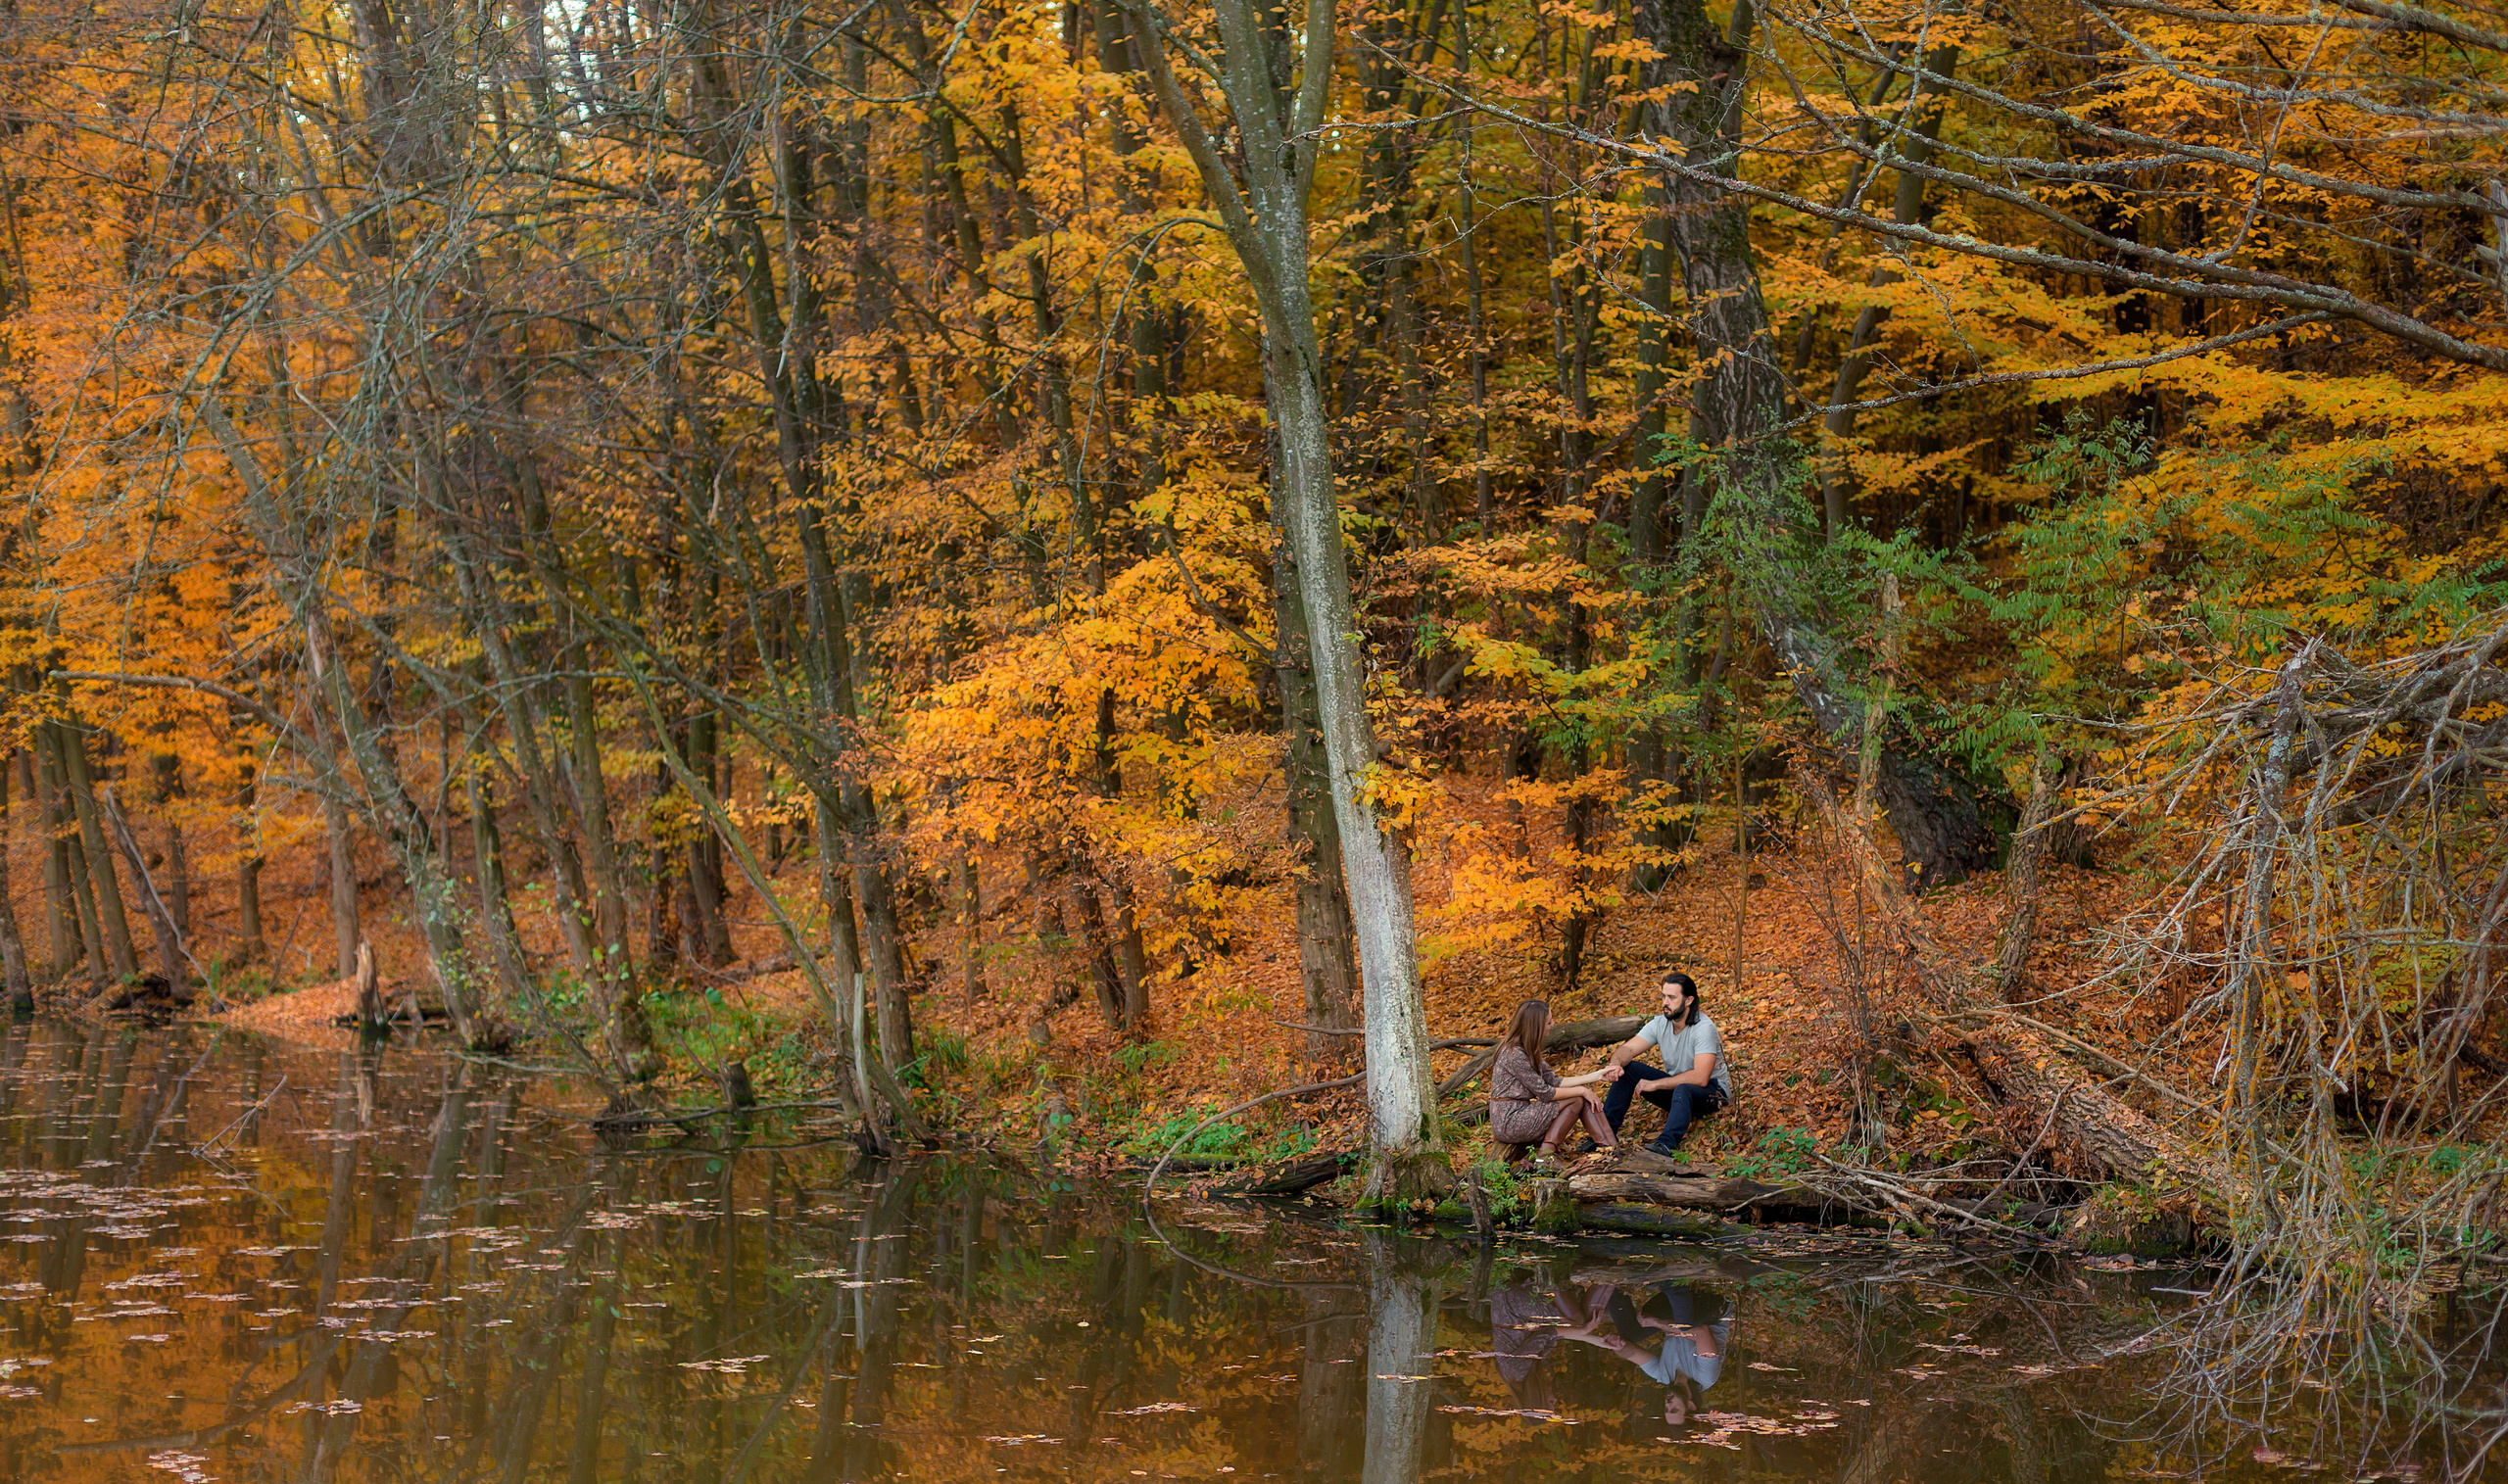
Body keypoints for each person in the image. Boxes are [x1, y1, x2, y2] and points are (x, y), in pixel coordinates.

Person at [1602, 970, 1732, 1157]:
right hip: (1679, 1092)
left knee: (1684, 1088)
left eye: (1672, 997)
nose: (1665, 1002)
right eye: (1663, 996)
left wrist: (1655, 1084)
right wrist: (1615, 1064)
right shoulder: (1660, 1023)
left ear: (1688, 1001)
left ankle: (1665, 1145)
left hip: (1713, 1093)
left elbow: (1701, 1078)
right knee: (1628, 1068)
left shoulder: (1703, 1029)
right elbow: (1628, 1050)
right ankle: (1604, 1136)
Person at [1489, 998, 1622, 1169]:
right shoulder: (1514, 1054)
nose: (1553, 1024)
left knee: (1578, 1096)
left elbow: (1554, 1081)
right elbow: (1546, 1093)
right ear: (1535, 1026)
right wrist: (1582, 1091)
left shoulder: (1528, 1049)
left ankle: (1610, 1149)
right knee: (1577, 1098)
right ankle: (1546, 1157)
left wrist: (1596, 1076)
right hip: (1509, 1121)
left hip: (1519, 1114)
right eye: (1549, 1022)